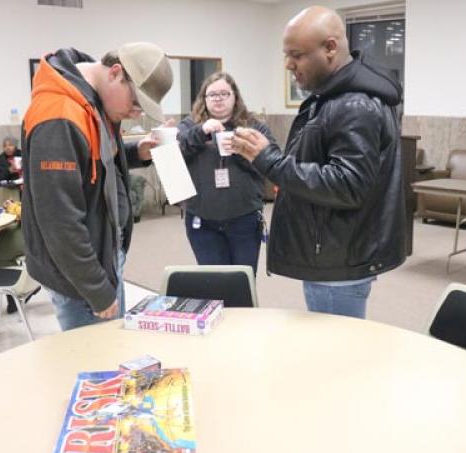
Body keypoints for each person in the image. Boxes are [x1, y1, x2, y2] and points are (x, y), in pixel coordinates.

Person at [231, 6, 406, 318]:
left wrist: (270, 161)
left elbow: (348, 185)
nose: (288, 64)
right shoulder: (333, 96)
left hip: (338, 262)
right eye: (286, 55)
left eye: (296, 55)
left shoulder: (354, 104)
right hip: (332, 253)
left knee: (338, 354)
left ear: (330, 48)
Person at [21, 43, 173, 331]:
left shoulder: (93, 99)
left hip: (103, 254)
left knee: (114, 351)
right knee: (95, 362)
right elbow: (59, 222)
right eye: (136, 103)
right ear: (116, 73)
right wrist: (97, 290)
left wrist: (134, 152)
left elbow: (92, 160)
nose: (135, 114)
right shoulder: (59, 116)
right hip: (80, 275)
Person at [177, 72, 276, 275]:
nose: (218, 98)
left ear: (235, 97)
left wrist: (242, 151)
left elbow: (273, 162)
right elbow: (174, 154)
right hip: (202, 221)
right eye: (212, 94)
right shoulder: (190, 125)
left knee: (243, 281)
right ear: (204, 99)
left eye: (224, 93)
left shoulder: (254, 126)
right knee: (213, 283)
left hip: (244, 219)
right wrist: (200, 132)